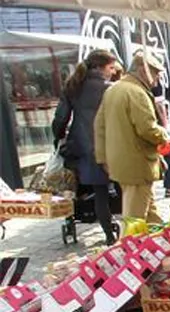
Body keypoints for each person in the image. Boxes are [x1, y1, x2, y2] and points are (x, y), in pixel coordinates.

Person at [94, 52, 168, 226]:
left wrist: (103, 158)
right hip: (136, 162)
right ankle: (128, 250)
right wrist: (164, 135)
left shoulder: (114, 89)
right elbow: (147, 129)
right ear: (144, 70)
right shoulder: (136, 92)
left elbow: (99, 127)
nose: (156, 80)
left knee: (149, 213)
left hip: (121, 162)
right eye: (155, 73)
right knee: (134, 219)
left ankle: (162, 241)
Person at [53, 49, 118, 244]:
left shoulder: (73, 86)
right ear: (100, 67)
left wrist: (58, 139)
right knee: (114, 189)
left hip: (81, 146)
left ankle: (108, 235)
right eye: (110, 67)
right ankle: (117, 233)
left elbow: (60, 118)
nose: (113, 72)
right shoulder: (111, 88)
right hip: (110, 143)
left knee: (98, 191)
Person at [152, 83, 170, 197]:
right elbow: (159, 105)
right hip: (160, 128)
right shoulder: (155, 86)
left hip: (158, 126)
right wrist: (165, 128)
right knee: (168, 156)